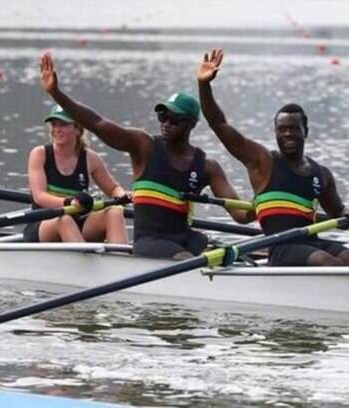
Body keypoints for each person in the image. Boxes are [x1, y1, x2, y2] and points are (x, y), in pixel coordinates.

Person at [39, 53, 254, 259]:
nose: (165, 124)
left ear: (190, 124)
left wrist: (262, 204)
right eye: (162, 116)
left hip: (185, 240)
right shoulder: (143, 146)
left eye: (173, 119)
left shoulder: (208, 167)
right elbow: (97, 123)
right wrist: (57, 93)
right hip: (150, 242)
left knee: (219, 250)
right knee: (191, 260)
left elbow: (241, 215)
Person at [197, 48, 349, 266]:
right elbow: (219, 125)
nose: (287, 134)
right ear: (275, 132)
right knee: (327, 261)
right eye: (282, 129)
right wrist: (204, 85)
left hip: (311, 242)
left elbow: (340, 217)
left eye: (293, 128)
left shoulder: (321, 174)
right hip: (280, 247)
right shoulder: (262, 161)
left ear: (305, 131)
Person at [23, 104, 129, 244]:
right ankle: (84, 262)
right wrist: (69, 202)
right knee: (64, 220)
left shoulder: (90, 158)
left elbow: (112, 188)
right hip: (43, 223)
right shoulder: (39, 154)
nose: (57, 130)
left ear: (78, 129)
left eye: (63, 125)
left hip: (78, 221)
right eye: (54, 125)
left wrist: (122, 195)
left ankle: (121, 262)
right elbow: (39, 197)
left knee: (115, 212)